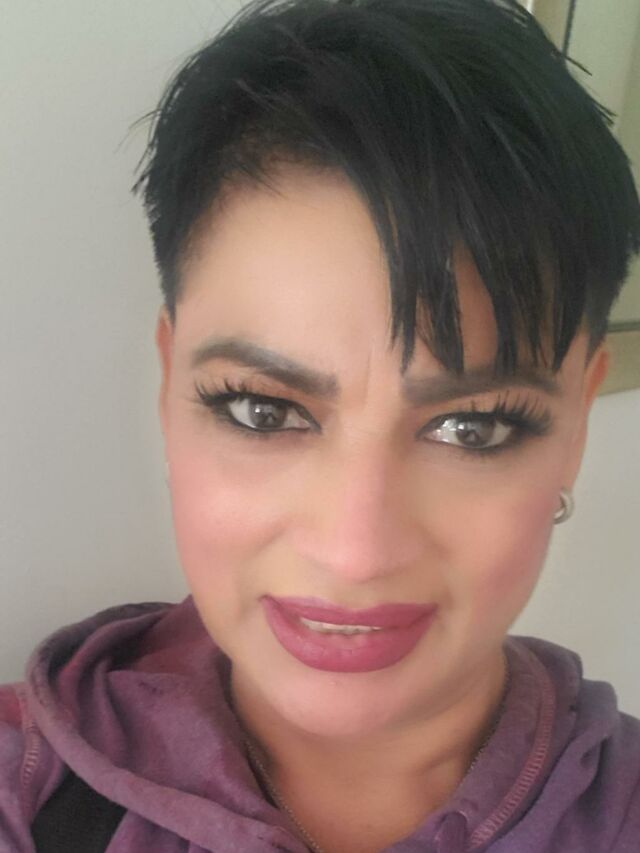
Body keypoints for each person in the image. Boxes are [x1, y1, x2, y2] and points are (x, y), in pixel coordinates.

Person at [1, 0, 639, 850]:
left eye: (472, 429)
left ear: (575, 426)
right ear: (169, 385)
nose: (354, 552)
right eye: (264, 411)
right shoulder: (26, 791)